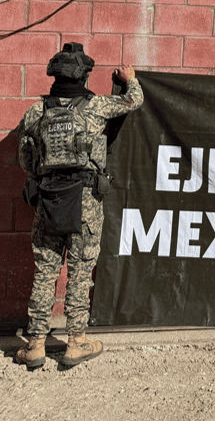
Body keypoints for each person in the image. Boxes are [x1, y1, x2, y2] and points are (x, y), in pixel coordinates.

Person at [14, 43, 144, 369]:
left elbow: (26, 160)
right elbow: (134, 100)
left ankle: (35, 345)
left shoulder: (35, 112)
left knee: (45, 273)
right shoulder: (95, 107)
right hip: (84, 199)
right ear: (83, 75)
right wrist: (130, 78)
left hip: (48, 199)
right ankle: (76, 342)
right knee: (80, 271)